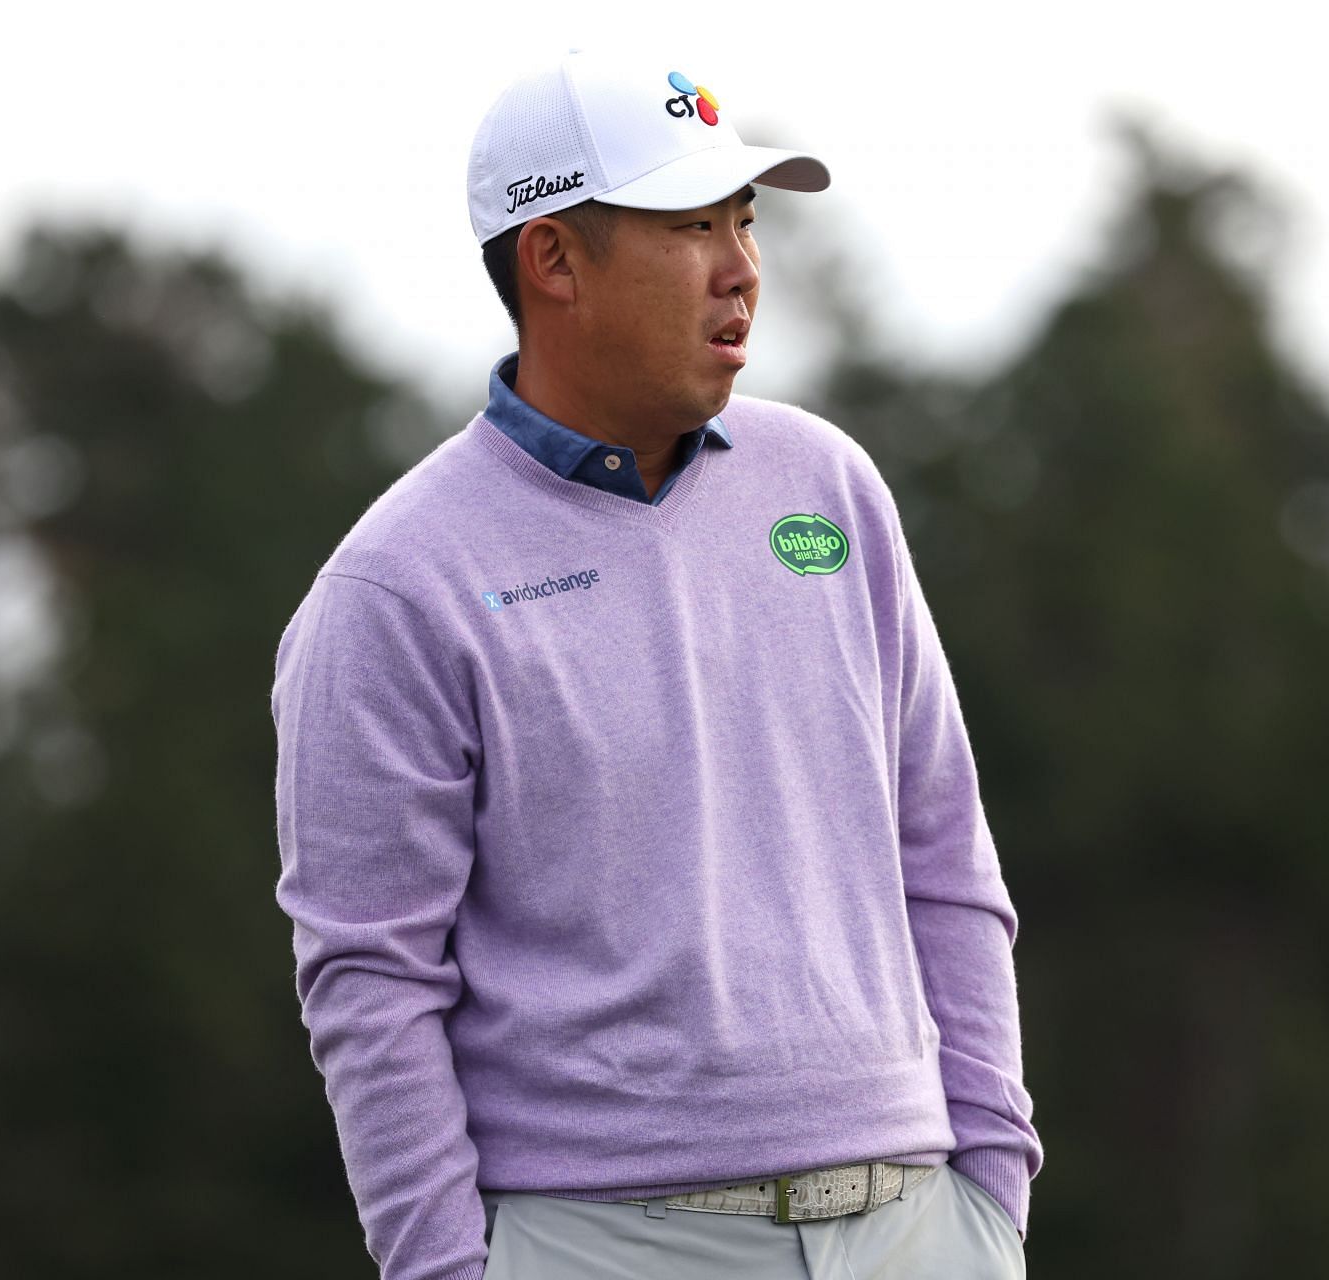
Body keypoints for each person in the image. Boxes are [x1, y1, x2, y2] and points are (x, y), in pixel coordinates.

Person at [269, 46, 1041, 1280]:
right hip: (606, 1242)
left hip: (923, 1231)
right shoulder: (395, 587)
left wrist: (992, 1188)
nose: (742, 269)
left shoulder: (830, 486)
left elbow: (943, 851)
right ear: (554, 259)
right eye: (690, 226)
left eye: (745, 222)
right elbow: (372, 981)